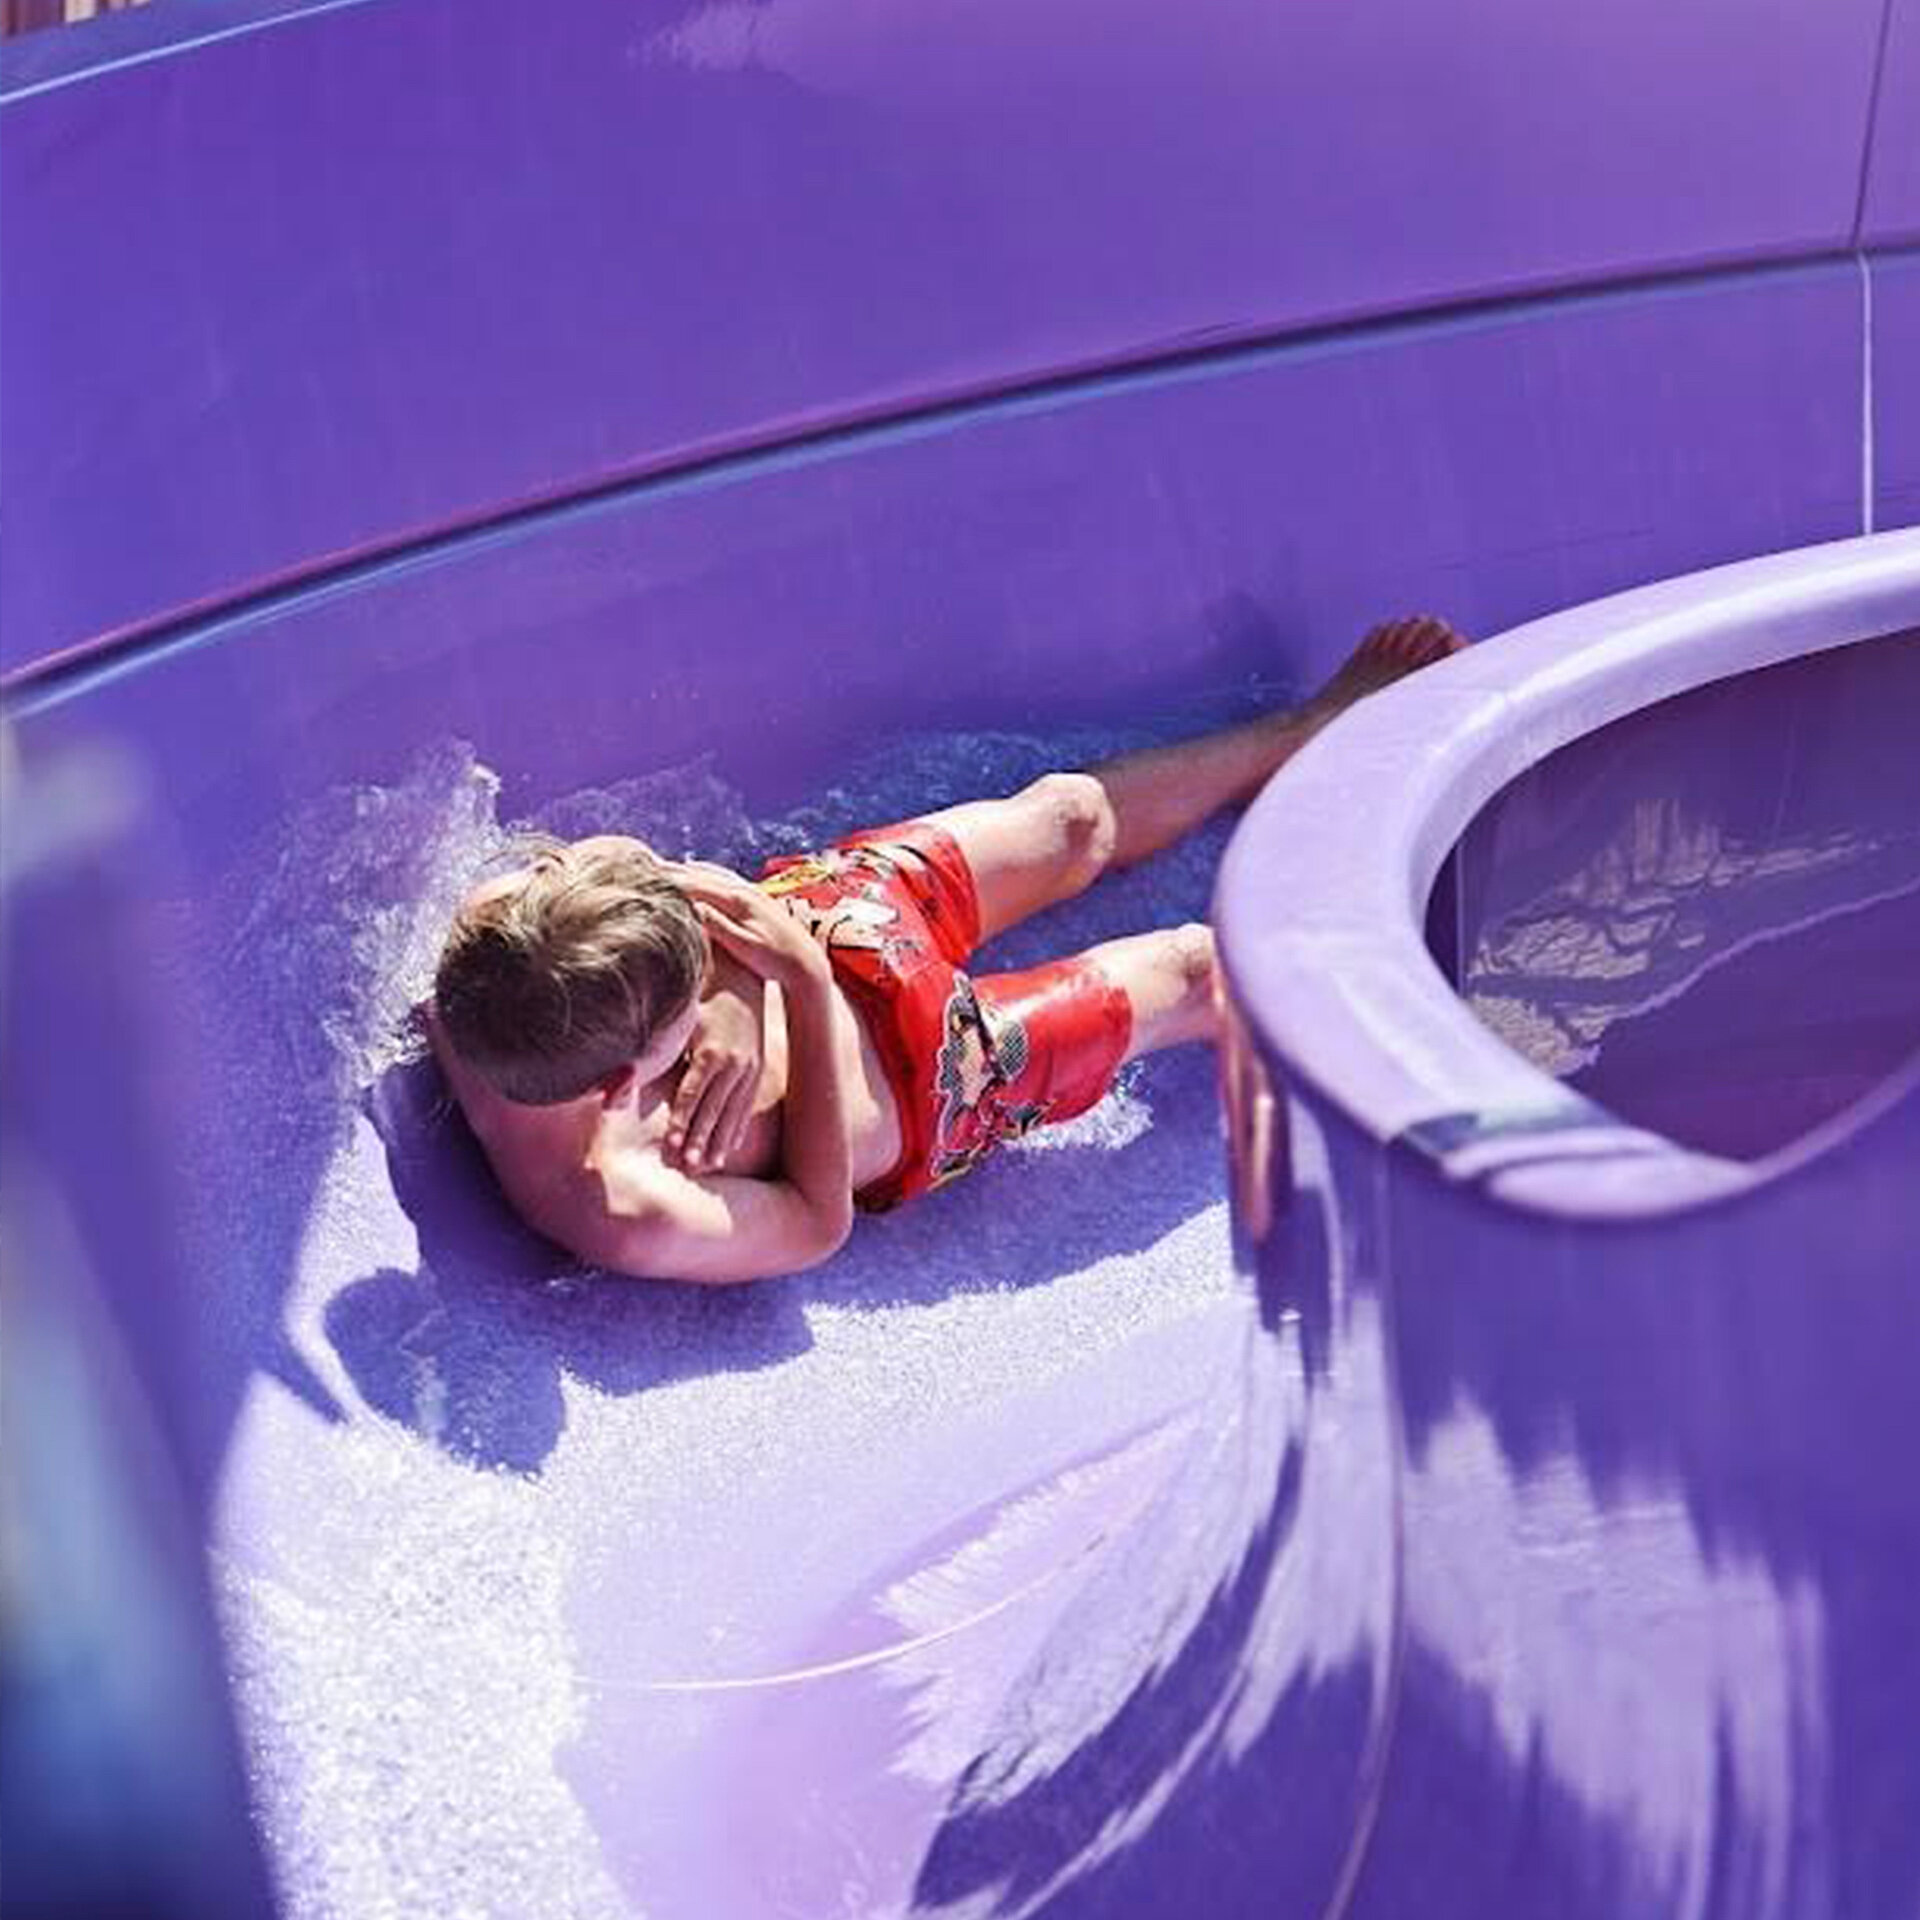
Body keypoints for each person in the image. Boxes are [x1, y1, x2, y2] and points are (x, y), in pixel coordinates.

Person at [427, 616, 1466, 1282]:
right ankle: (1395, 1046)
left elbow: (643, 872)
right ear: (621, 1085)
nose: (702, 999)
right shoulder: (626, 1209)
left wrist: (738, 965)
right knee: (1192, 969)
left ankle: (1303, 731)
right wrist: (792, 982)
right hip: (929, 1076)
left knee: (1066, 819)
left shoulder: (515, 924)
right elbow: (813, 1225)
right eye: (685, 1009)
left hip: (834, 914)